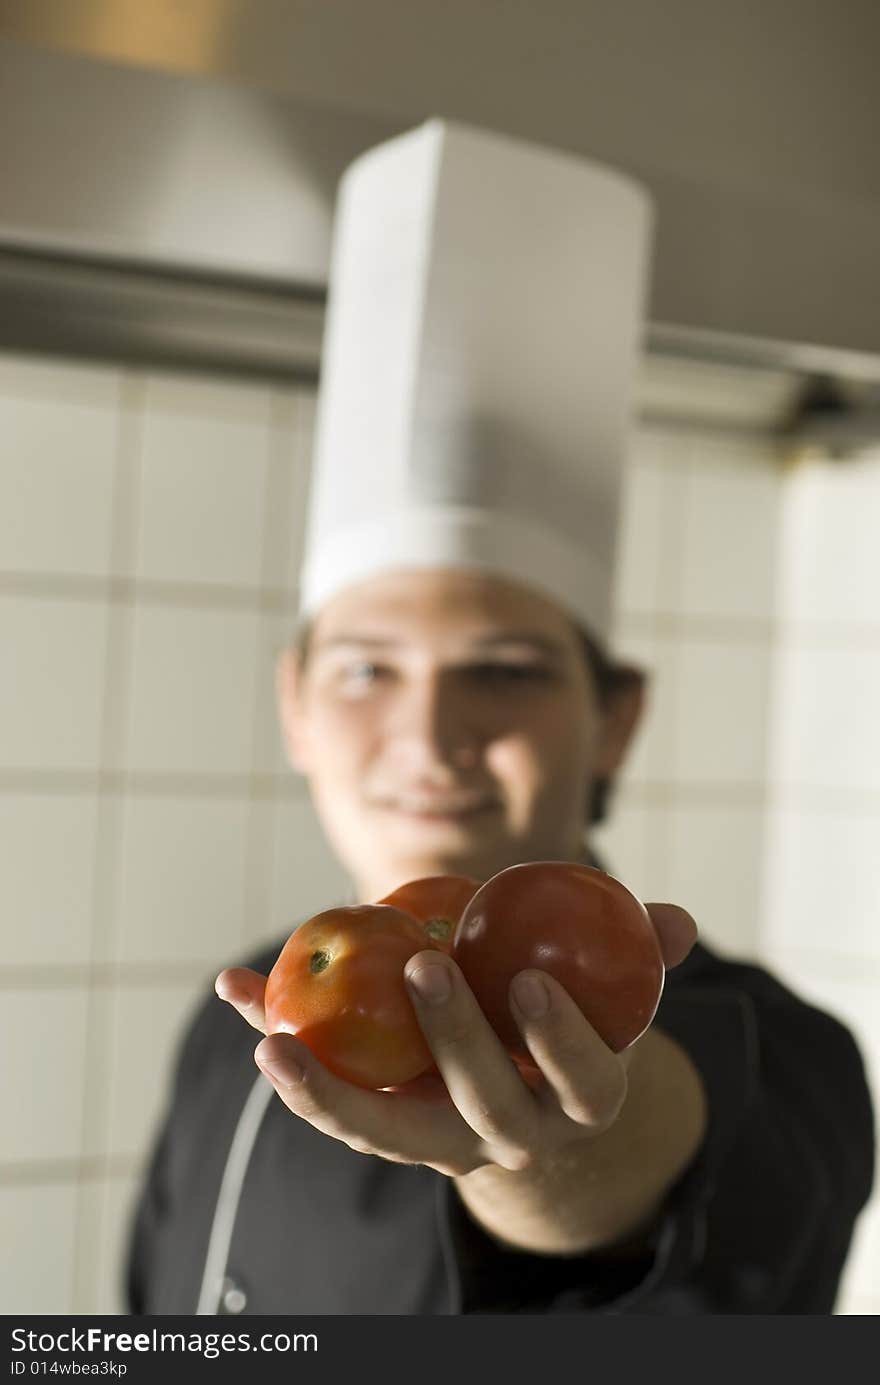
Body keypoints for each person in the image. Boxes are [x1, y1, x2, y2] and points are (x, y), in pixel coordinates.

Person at [124, 120, 875, 1316]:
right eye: (368, 670)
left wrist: (550, 1153)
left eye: (508, 670)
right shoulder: (247, 1020)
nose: (428, 734)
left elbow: (635, 1163)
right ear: (295, 708)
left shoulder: (793, 1062)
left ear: (616, 720)